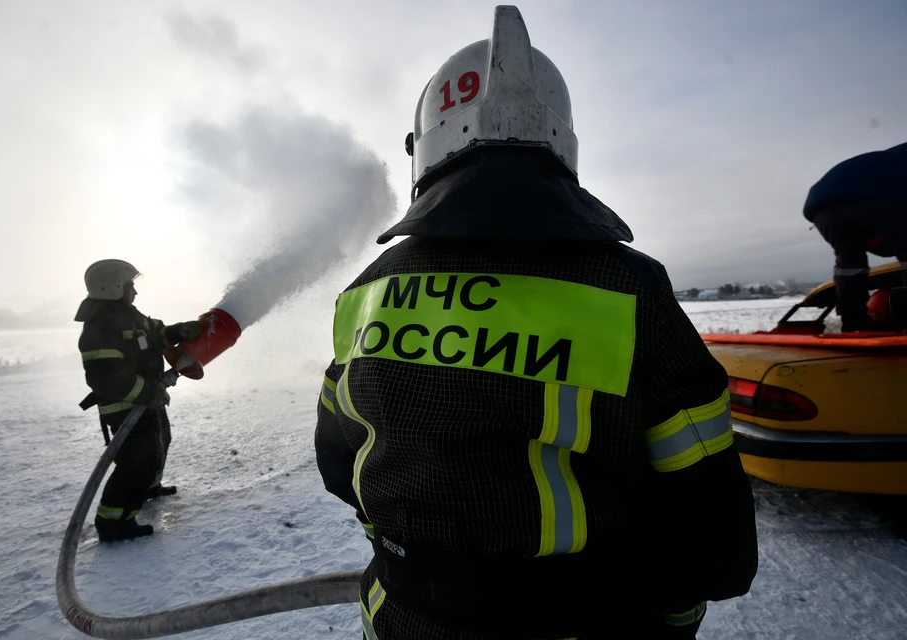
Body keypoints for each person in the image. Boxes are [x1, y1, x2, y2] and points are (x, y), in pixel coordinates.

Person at [314, 6, 757, 639]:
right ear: (560, 140)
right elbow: (699, 484)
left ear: (428, 145)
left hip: (403, 617)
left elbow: (339, 454)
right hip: (586, 619)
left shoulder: (372, 287)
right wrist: (685, 598)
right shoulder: (629, 286)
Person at [75, 259, 204, 543]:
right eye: (131, 286)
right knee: (136, 463)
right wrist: (148, 393)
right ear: (113, 287)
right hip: (125, 406)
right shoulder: (101, 328)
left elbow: (156, 333)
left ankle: (148, 487)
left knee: (160, 441)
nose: (135, 292)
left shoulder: (128, 316)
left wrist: (180, 331)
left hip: (147, 400)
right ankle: (113, 523)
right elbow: (108, 379)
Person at [803, 142, 907, 332]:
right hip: (876, 194)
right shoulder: (893, 171)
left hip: (821, 203)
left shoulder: (890, 161)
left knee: (849, 265)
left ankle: (853, 324)